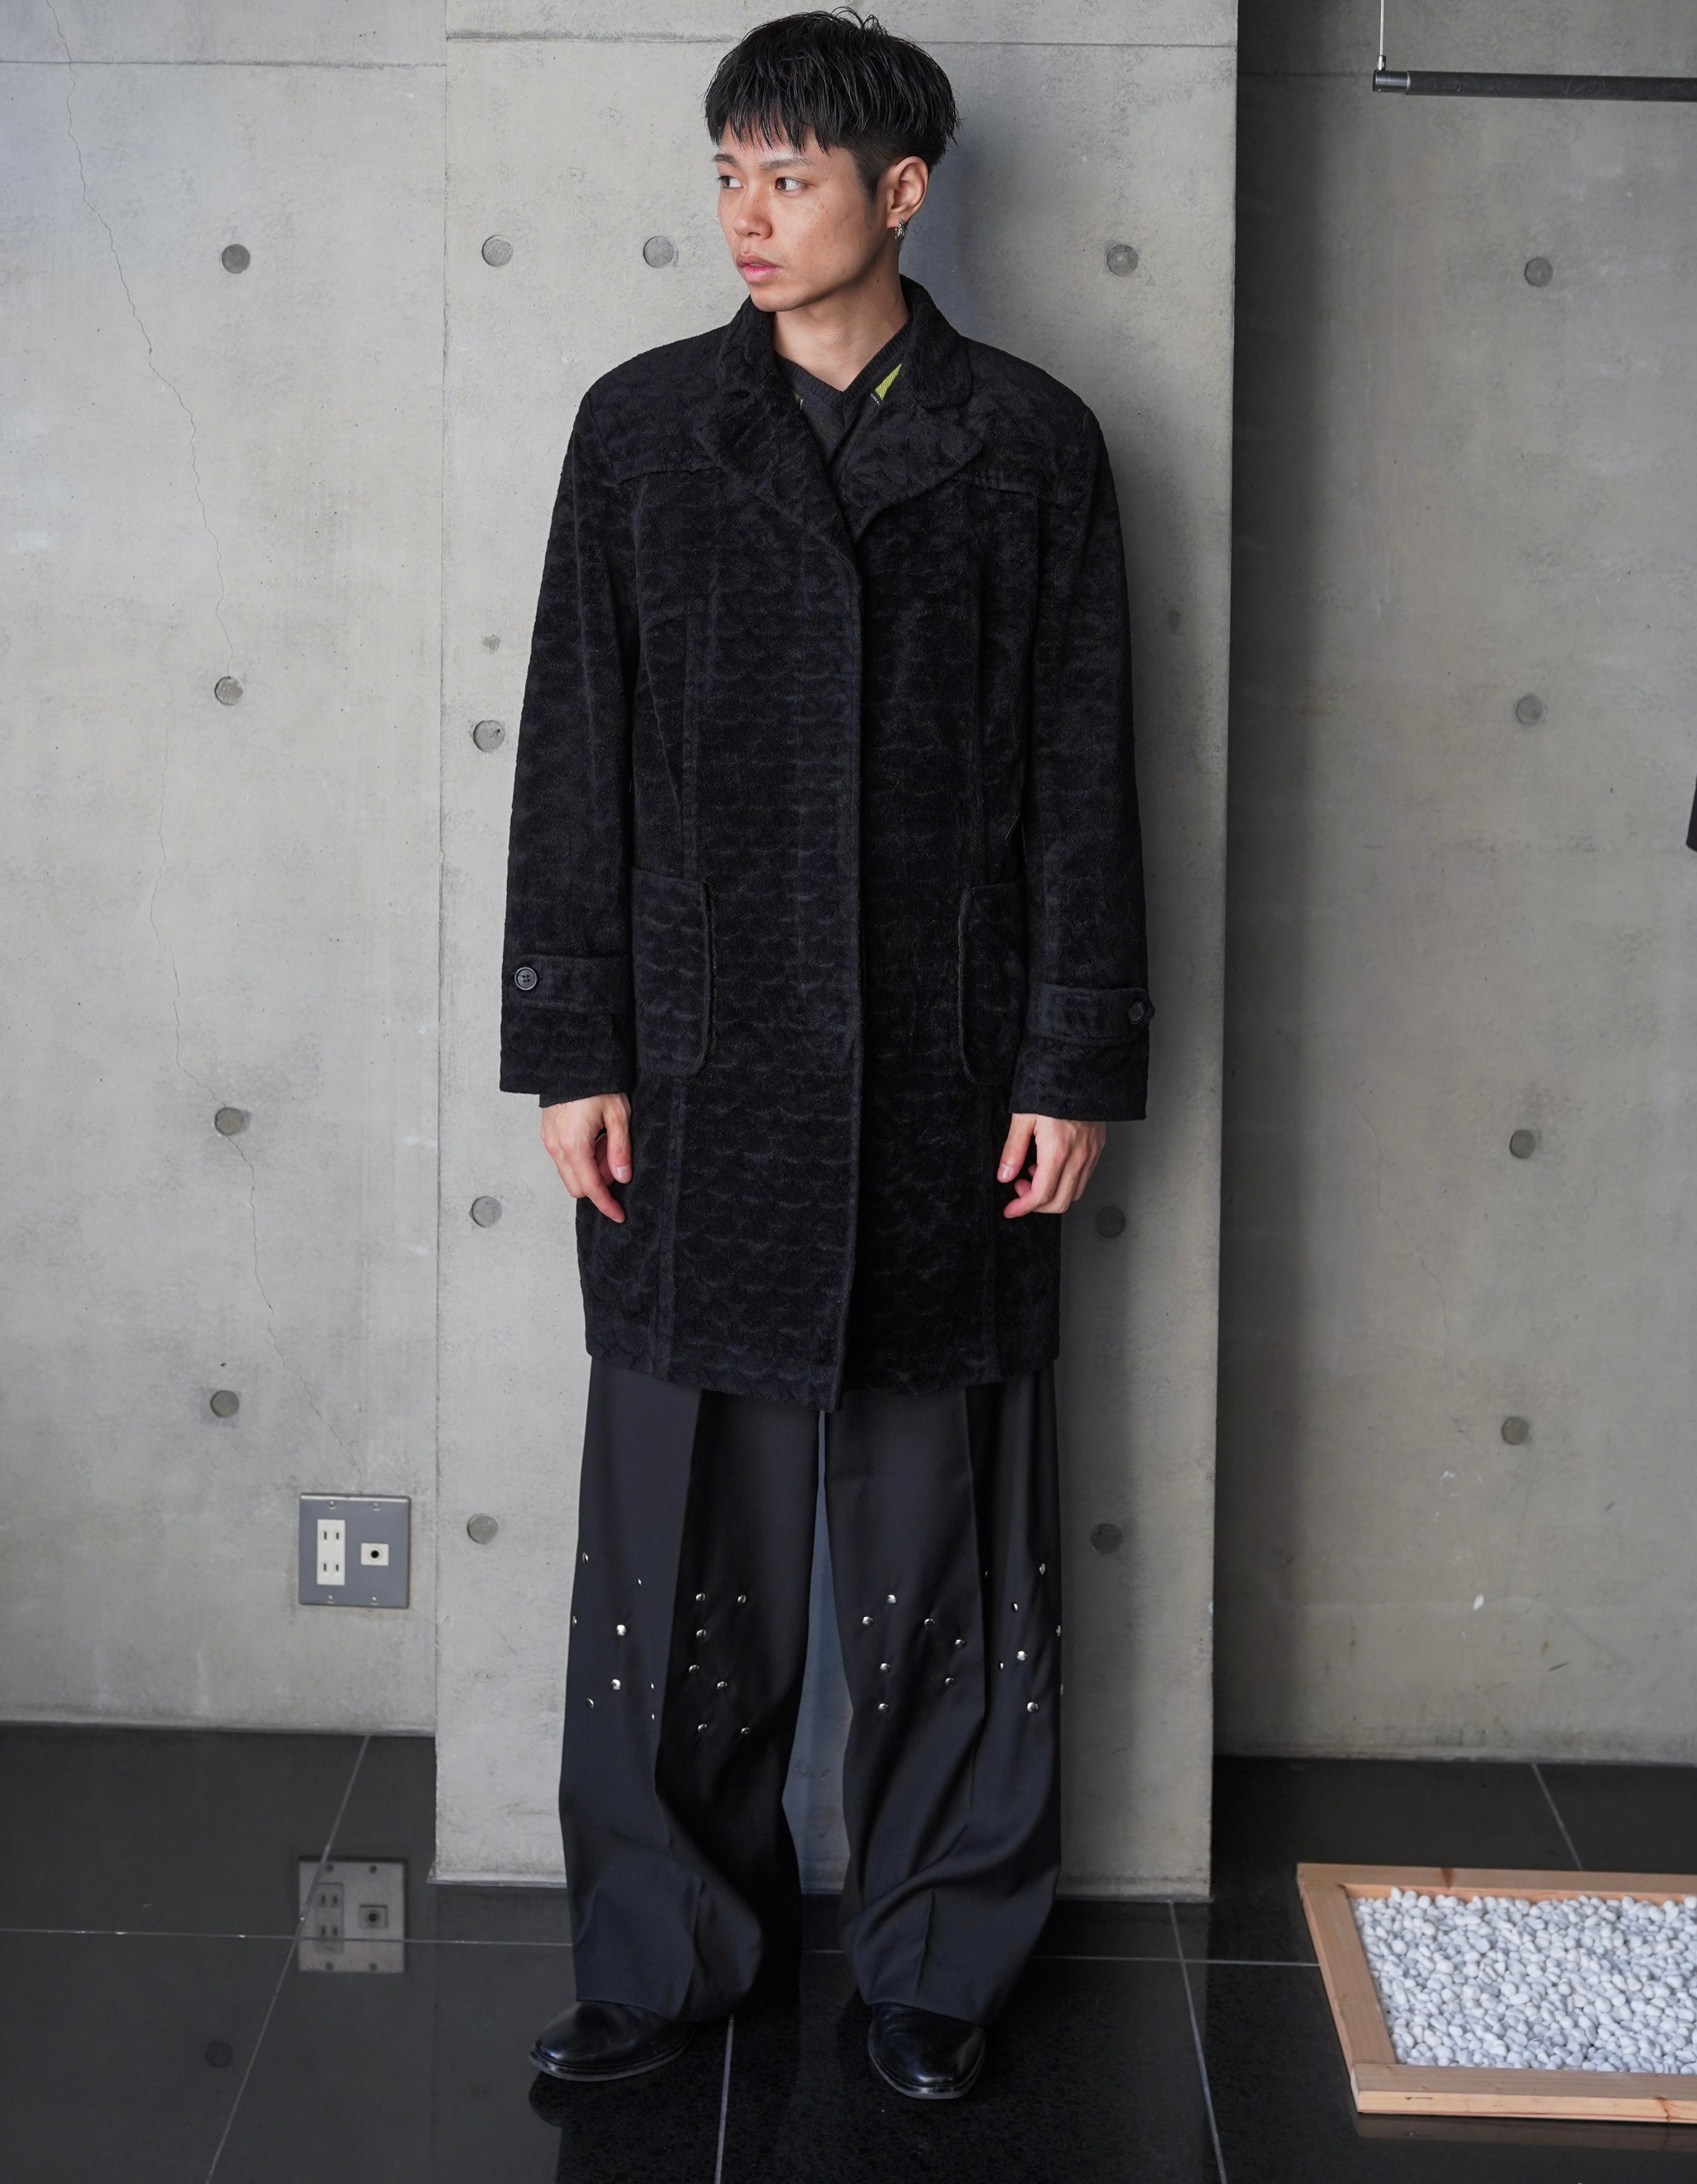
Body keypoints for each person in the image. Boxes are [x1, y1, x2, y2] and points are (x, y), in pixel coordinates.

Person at [502, 8, 1150, 2104]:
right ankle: (658, 1948)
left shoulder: (1030, 444)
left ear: (902, 192)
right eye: (728, 173)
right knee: (675, 1544)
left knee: (946, 1541)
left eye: (789, 176)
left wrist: (1072, 1056)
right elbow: (574, 754)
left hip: (953, 1077)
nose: (748, 216)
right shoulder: (640, 432)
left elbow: (1082, 772)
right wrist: (574, 1040)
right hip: (698, 1078)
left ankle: (938, 1956)